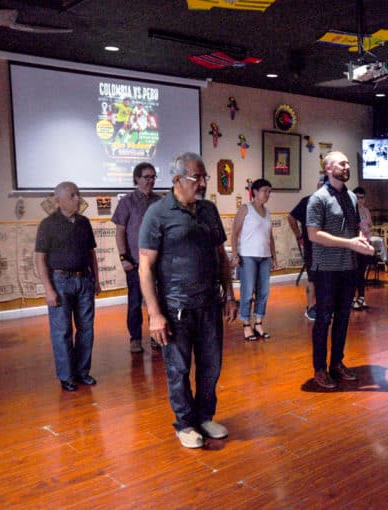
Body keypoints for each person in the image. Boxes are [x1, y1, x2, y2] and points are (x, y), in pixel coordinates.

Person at [138, 152, 237, 448]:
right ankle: (185, 423)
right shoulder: (158, 213)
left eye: (204, 177)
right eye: (198, 178)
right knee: (178, 369)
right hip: (175, 307)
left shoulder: (208, 210)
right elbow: (145, 267)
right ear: (177, 179)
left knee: (211, 365)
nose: (204, 183)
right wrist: (155, 314)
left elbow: (221, 256)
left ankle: (205, 417)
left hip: (209, 305)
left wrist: (230, 295)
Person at [307, 151, 374, 389]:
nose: (347, 166)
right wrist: (349, 243)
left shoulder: (351, 198)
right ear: (328, 169)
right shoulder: (318, 198)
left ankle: (337, 363)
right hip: (326, 268)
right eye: (342, 163)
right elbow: (314, 234)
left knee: (344, 318)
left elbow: (355, 227)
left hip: (348, 266)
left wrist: (360, 240)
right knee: (324, 319)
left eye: (347, 163)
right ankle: (320, 369)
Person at [34, 182, 102, 392]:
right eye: (72, 195)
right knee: (62, 331)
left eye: (78, 194)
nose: (77, 199)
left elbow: (91, 254)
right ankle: (67, 376)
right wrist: (49, 289)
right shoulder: (48, 224)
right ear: (58, 200)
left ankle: (82, 372)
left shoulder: (84, 223)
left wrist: (96, 280)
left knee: (86, 329)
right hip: (60, 282)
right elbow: (40, 259)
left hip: (84, 281)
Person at [112, 162, 162, 353]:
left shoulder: (160, 202)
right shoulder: (127, 202)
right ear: (136, 179)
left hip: (157, 262)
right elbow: (120, 231)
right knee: (134, 303)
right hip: (135, 262)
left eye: (153, 177)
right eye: (146, 177)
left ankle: (156, 335)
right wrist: (123, 257)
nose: (150, 181)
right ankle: (135, 338)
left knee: (156, 301)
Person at [230, 178, 278, 340]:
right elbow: (234, 233)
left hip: (265, 257)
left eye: (269, 192)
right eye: (265, 191)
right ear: (255, 192)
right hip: (248, 256)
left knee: (263, 291)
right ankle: (246, 324)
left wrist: (274, 256)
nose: (267, 194)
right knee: (248, 292)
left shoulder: (268, 212)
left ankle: (258, 322)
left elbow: (270, 236)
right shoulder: (246, 209)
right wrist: (235, 255)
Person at [288, 177, 326, 321]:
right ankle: (310, 307)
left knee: (325, 278)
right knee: (312, 278)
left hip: (327, 248)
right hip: (312, 246)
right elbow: (291, 218)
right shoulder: (307, 201)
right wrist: (299, 236)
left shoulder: (331, 203)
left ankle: (323, 306)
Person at [352, 186, 373, 310]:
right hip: (356, 244)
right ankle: (353, 298)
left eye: (362, 198)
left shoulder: (366, 211)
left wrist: (368, 231)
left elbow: (370, 225)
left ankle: (361, 297)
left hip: (366, 243)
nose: (360, 200)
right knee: (355, 272)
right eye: (358, 198)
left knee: (362, 272)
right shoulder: (352, 211)